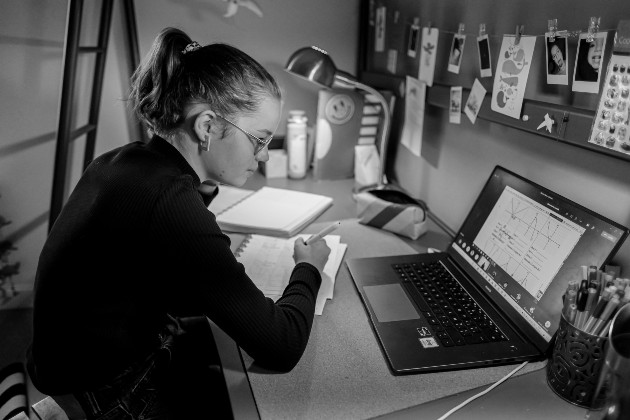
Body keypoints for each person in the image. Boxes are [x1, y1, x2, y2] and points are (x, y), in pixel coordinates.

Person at [27, 27, 331, 420]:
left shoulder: (123, 161)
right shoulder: (170, 201)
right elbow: (282, 345)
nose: (265, 156)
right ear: (207, 127)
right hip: (108, 395)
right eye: (259, 139)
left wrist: (203, 189)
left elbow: (164, 272)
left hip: (67, 370)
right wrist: (309, 268)